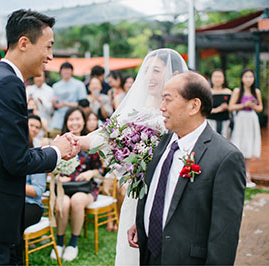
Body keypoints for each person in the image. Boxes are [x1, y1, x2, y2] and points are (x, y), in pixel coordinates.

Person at [0, 9, 78, 265]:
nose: (51, 56)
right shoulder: (8, 84)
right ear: (24, 43)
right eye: (48, 47)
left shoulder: (1, 80)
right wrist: (56, 150)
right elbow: (17, 159)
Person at [72, 48, 188, 265]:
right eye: (147, 71)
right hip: (137, 194)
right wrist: (78, 142)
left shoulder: (180, 112)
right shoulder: (133, 108)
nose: (149, 77)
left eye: (156, 71)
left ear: (171, 74)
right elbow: (105, 135)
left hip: (167, 194)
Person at [127, 72, 245, 265]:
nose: (161, 107)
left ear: (194, 106)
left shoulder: (226, 157)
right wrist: (143, 223)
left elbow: (224, 235)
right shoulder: (164, 141)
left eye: (168, 99)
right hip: (149, 253)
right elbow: (160, 191)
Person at [50, 108, 102, 261]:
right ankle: (59, 243)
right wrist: (58, 176)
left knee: (77, 201)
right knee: (64, 203)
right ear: (66, 122)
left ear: (83, 121)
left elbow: (99, 169)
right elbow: (50, 167)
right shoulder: (59, 142)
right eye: (71, 119)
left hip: (84, 188)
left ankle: (73, 244)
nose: (74, 122)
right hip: (63, 187)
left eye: (78, 119)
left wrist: (90, 173)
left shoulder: (90, 142)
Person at [229, 70, 263, 173]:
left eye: (251, 77)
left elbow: (260, 108)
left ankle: (247, 173)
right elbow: (231, 107)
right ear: (242, 78)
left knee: (250, 144)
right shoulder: (237, 91)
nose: (248, 79)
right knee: (239, 143)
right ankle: (238, 172)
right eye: (246, 77)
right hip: (241, 119)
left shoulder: (256, 92)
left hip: (252, 119)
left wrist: (253, 106)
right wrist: (244, 105)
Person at [51, 62, 87, 133]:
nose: (66, 71)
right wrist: (54, 104)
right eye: (64, 69)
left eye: (68, 69)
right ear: (60, 71)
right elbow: (54, 106)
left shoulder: (79, 85)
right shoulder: (56, 86)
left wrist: (65, 104)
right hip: (58, 120)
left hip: (74, 119)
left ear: (72, 71)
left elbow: (83, 103)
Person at [207, 69, 233, 138]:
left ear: (224, 79)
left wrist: (227, 107)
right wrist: (218, 109)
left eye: (219, 77)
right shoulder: (207, 92)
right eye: (215, 77)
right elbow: (204, 109)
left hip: (225, 123)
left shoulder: (228, 92)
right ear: (211, 78)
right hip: (210, 122)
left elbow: (232, 108)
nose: (217, 79)